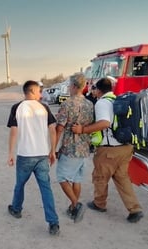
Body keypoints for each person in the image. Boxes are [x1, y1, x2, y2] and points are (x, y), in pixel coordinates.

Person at [72, 77, 144, 223]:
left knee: (100, 177)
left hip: (109, 149)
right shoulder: (117, 100)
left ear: (98, 90)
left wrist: (83, 129)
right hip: (125, 147)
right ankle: (134, 209)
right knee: (122, 178)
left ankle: (99, 204)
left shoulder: (102, 103)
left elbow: (104, 123)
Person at [6, 80, 60, 236]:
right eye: (39, 91)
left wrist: (10, 153)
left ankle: (16, 209)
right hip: (42, 155)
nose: (41, 94)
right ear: (31, 91)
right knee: (46, 188)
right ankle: (53, 222)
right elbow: (52, 129)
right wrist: (52, 151)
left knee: (20, 185)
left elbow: (14, 131)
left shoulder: (17, 108)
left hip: (25, 155)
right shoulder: (44, 108)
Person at [55, 73, 94, 223]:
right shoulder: (89, 104)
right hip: (84, 147)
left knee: (62, 177)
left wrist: (53, 149)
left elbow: (59, 128)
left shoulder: (67, 104)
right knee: (76, 179)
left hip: (70, 148)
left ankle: (76, 205)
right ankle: (73, 209)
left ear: (72, 86)